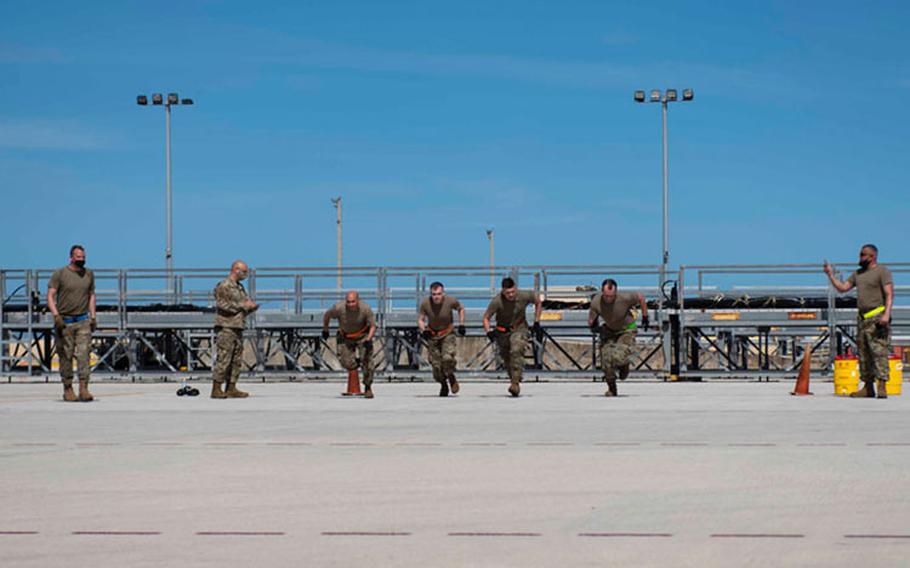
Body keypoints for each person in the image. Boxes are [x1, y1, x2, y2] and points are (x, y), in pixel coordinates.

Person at [825, 244, 894, 398]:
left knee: (879, 352)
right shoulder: (858, 274)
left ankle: (882, 385)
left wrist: (886, 315)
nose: (861, 258)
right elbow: (843, 288)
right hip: (862, 318)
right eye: (860, 254)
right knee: (864, 353)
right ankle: (868, 387)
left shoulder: (882, 271)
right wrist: (830, 275)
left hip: (877, 316)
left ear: (872, 256)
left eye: (864, 255)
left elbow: (889, 294)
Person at [47, 245, 97, 402]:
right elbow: (50, 296)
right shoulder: (60, 274)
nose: (81, 259)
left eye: (83, 257)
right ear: (71, 257)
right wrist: (56, 316)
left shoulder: (89, 274)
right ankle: (68, 388)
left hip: (82, 320)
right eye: (78, 257)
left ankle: (84, 388)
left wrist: (93, 317)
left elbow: (91, 295)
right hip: (65, 322)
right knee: (66, 356)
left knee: (84, 355)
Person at [588, 279, 649, 397]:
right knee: (605, 358)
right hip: (609, 331)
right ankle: (612, 388)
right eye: (606, 296)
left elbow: (641, 297)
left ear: (616, 293)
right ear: (602, 292)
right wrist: (593, 325)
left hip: (627, 330)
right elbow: (591, 318)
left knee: (618, 355)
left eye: (612, 296)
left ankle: (624, 365)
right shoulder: (596, 301)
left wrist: (645, 316)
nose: (609, 299)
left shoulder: (625, 297)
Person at [482, 277, 542, 397]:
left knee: (516, 350)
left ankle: (515, 384)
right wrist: (488, 331)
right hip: (502, 332)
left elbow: (538, 302)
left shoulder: (524, 295)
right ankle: (514, 380)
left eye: (512, 292)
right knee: (507, 359)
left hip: (520, 328)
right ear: (503, 291)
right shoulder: (497, 301)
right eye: (507, 293)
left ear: (516, 288)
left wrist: (537, 321)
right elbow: (486, 317)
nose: (510, 295)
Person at [212, 260, 259, 399]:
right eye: (244, 272)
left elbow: (241, 308)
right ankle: (216, 388)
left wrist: (250, 308)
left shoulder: (240, 288)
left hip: (238, 325)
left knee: (236, 359)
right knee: (224, 358)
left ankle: (231, 387)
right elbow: (222, 305)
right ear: (235, 270)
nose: (245, 275)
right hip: (226, 326)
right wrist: (243, 306)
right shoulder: (224, 286)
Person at [323, 291, 377, 398]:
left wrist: (368, 339)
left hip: (362, 335)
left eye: (353, 302)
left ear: (358, 301)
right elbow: (327, 315)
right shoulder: (339, 308)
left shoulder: (365, 309)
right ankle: (356, 363)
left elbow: (373, 326)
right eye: (348, 302)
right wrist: (325, 329)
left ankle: (367, 386)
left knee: (367, 362)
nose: (350, 304)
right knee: (345, 362)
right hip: (345, 336)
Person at [418, 282, 466, 396]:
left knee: (447, 358)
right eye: (434, 294)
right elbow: (420, 319)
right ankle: (443, 384)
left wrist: (462, 324)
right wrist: (423, 330)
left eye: (439, 294)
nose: (436, 297)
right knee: (436, 365)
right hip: (433, 335)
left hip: (447, 333)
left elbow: (461, 308)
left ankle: (451, 376)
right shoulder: (425, 303)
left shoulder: (450, 301)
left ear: (443, 293)